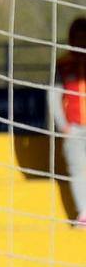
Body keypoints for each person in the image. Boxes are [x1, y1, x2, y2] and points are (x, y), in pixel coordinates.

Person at [50, 16, 86, 228]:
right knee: (78, 169)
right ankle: (84, 213)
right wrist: (62, 125)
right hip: (74, 127)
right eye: (77, 37)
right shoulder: (64, 64)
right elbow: (53, 95)